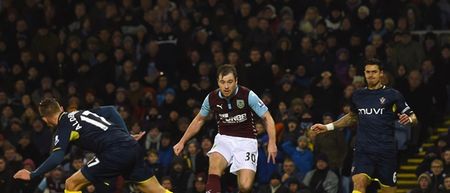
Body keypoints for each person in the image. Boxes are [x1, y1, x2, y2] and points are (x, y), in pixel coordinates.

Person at [13, 98, 171, 193]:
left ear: (45, 119)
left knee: (71, 184)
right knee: (154, 190)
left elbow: (57, 157)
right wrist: (125, 135)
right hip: (132, 147)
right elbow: (110, 110)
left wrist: (32, 174)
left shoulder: (63, 128)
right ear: (61, 108)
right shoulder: (81, 113)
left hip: (114, 152)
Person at [311, 58, 418, 193]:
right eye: (368, 72)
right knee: (359, 182)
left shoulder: (393, 95)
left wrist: (409, 119)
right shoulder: (358, 95)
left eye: (374, 72)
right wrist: (327, 127)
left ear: (381, 73)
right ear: (364, 73)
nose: (371, 75)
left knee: (389, 190)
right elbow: (352, 117)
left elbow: (414, 117)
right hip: (363, 150)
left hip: (386, 151)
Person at [173, 64, 277, 193]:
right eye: (222, 82)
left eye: (229, 82)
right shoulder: (211, 98)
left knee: (245, 187)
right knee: (214, 164)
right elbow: (199, 120)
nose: (226, 86)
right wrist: (182, 141)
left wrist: (272, 142)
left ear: (236, 81)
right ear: (218, 82)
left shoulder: (248, 95)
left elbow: (267, 118)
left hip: (247, 141)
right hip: (224, 138)